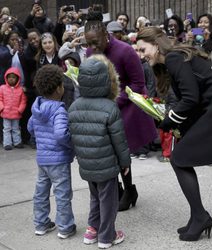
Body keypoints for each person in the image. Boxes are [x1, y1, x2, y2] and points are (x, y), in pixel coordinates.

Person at [136, 26, 212, 241]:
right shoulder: (175, 57)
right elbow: (193, 97)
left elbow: (190, 98)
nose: (141, 56)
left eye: (143, 50)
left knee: (179, 159)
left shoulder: (173, 58)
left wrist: (169, 121)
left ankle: (200, 217)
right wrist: (176, 124)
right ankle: (197, 216)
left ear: (156, 44)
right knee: (180, 157)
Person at [84, 11, 158, 211]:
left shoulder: (125, 51)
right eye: (88, 43)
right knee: (105, 151)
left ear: (105, 34)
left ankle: (129, 190)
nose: (92, 48)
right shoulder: (91, 52)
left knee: (119, 151)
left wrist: (116, 101)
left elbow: (138, 83)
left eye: (95, 42)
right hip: (104, 106)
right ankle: (116, 188)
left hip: (127, 104)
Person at [68, 54, 130, 248]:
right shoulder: (110, 107)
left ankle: (91, 230)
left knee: (95, 197)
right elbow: (119, 140)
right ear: (106, 80)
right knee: (108, 202)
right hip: (107, 165)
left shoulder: (74, 107)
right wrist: (125, 162)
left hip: (86, 164)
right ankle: (106, 236)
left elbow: (74, 137)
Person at [27, 65, 76, 239]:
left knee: (41, 192)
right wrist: (72, 144)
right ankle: (65, 227)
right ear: (58, 89)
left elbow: (30, 127)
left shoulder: (37, 107)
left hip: (42, 159)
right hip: (59, 160)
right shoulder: (59, 110)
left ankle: (41, 224)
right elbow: (61, 134)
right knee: (62, 194)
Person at [0, 67, 26, 150]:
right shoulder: (2, 88)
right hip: (5, 113)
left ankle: (17, 142)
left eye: (14, 77)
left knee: (16, 128)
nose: (11, 79)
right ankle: (7, 143)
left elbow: (23, 101)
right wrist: (2, 108)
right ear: (6, 78)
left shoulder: (20, 90)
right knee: (6, 129)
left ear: (17, 78)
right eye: (9, 77)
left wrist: (20, 110)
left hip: (16, 113)